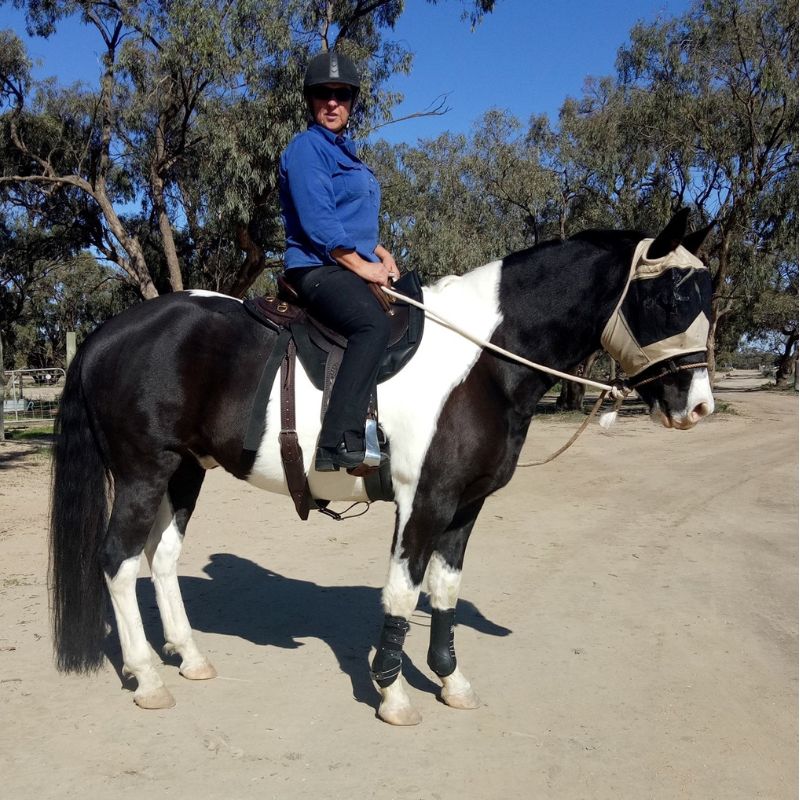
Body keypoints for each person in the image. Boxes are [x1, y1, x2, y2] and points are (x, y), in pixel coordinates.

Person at [278, 51, 399, 473]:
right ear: (311, 101)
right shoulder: (308, 148)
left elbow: (353, 221)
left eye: (342, 95)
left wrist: (380, 253)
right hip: (316, 268)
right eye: (323, 95)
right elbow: (319, 222)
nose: (333, 103)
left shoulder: (348, 154)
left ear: (351, 102)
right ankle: (338, 441)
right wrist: (363, 267)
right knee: (372, 324)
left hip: (344, 262)